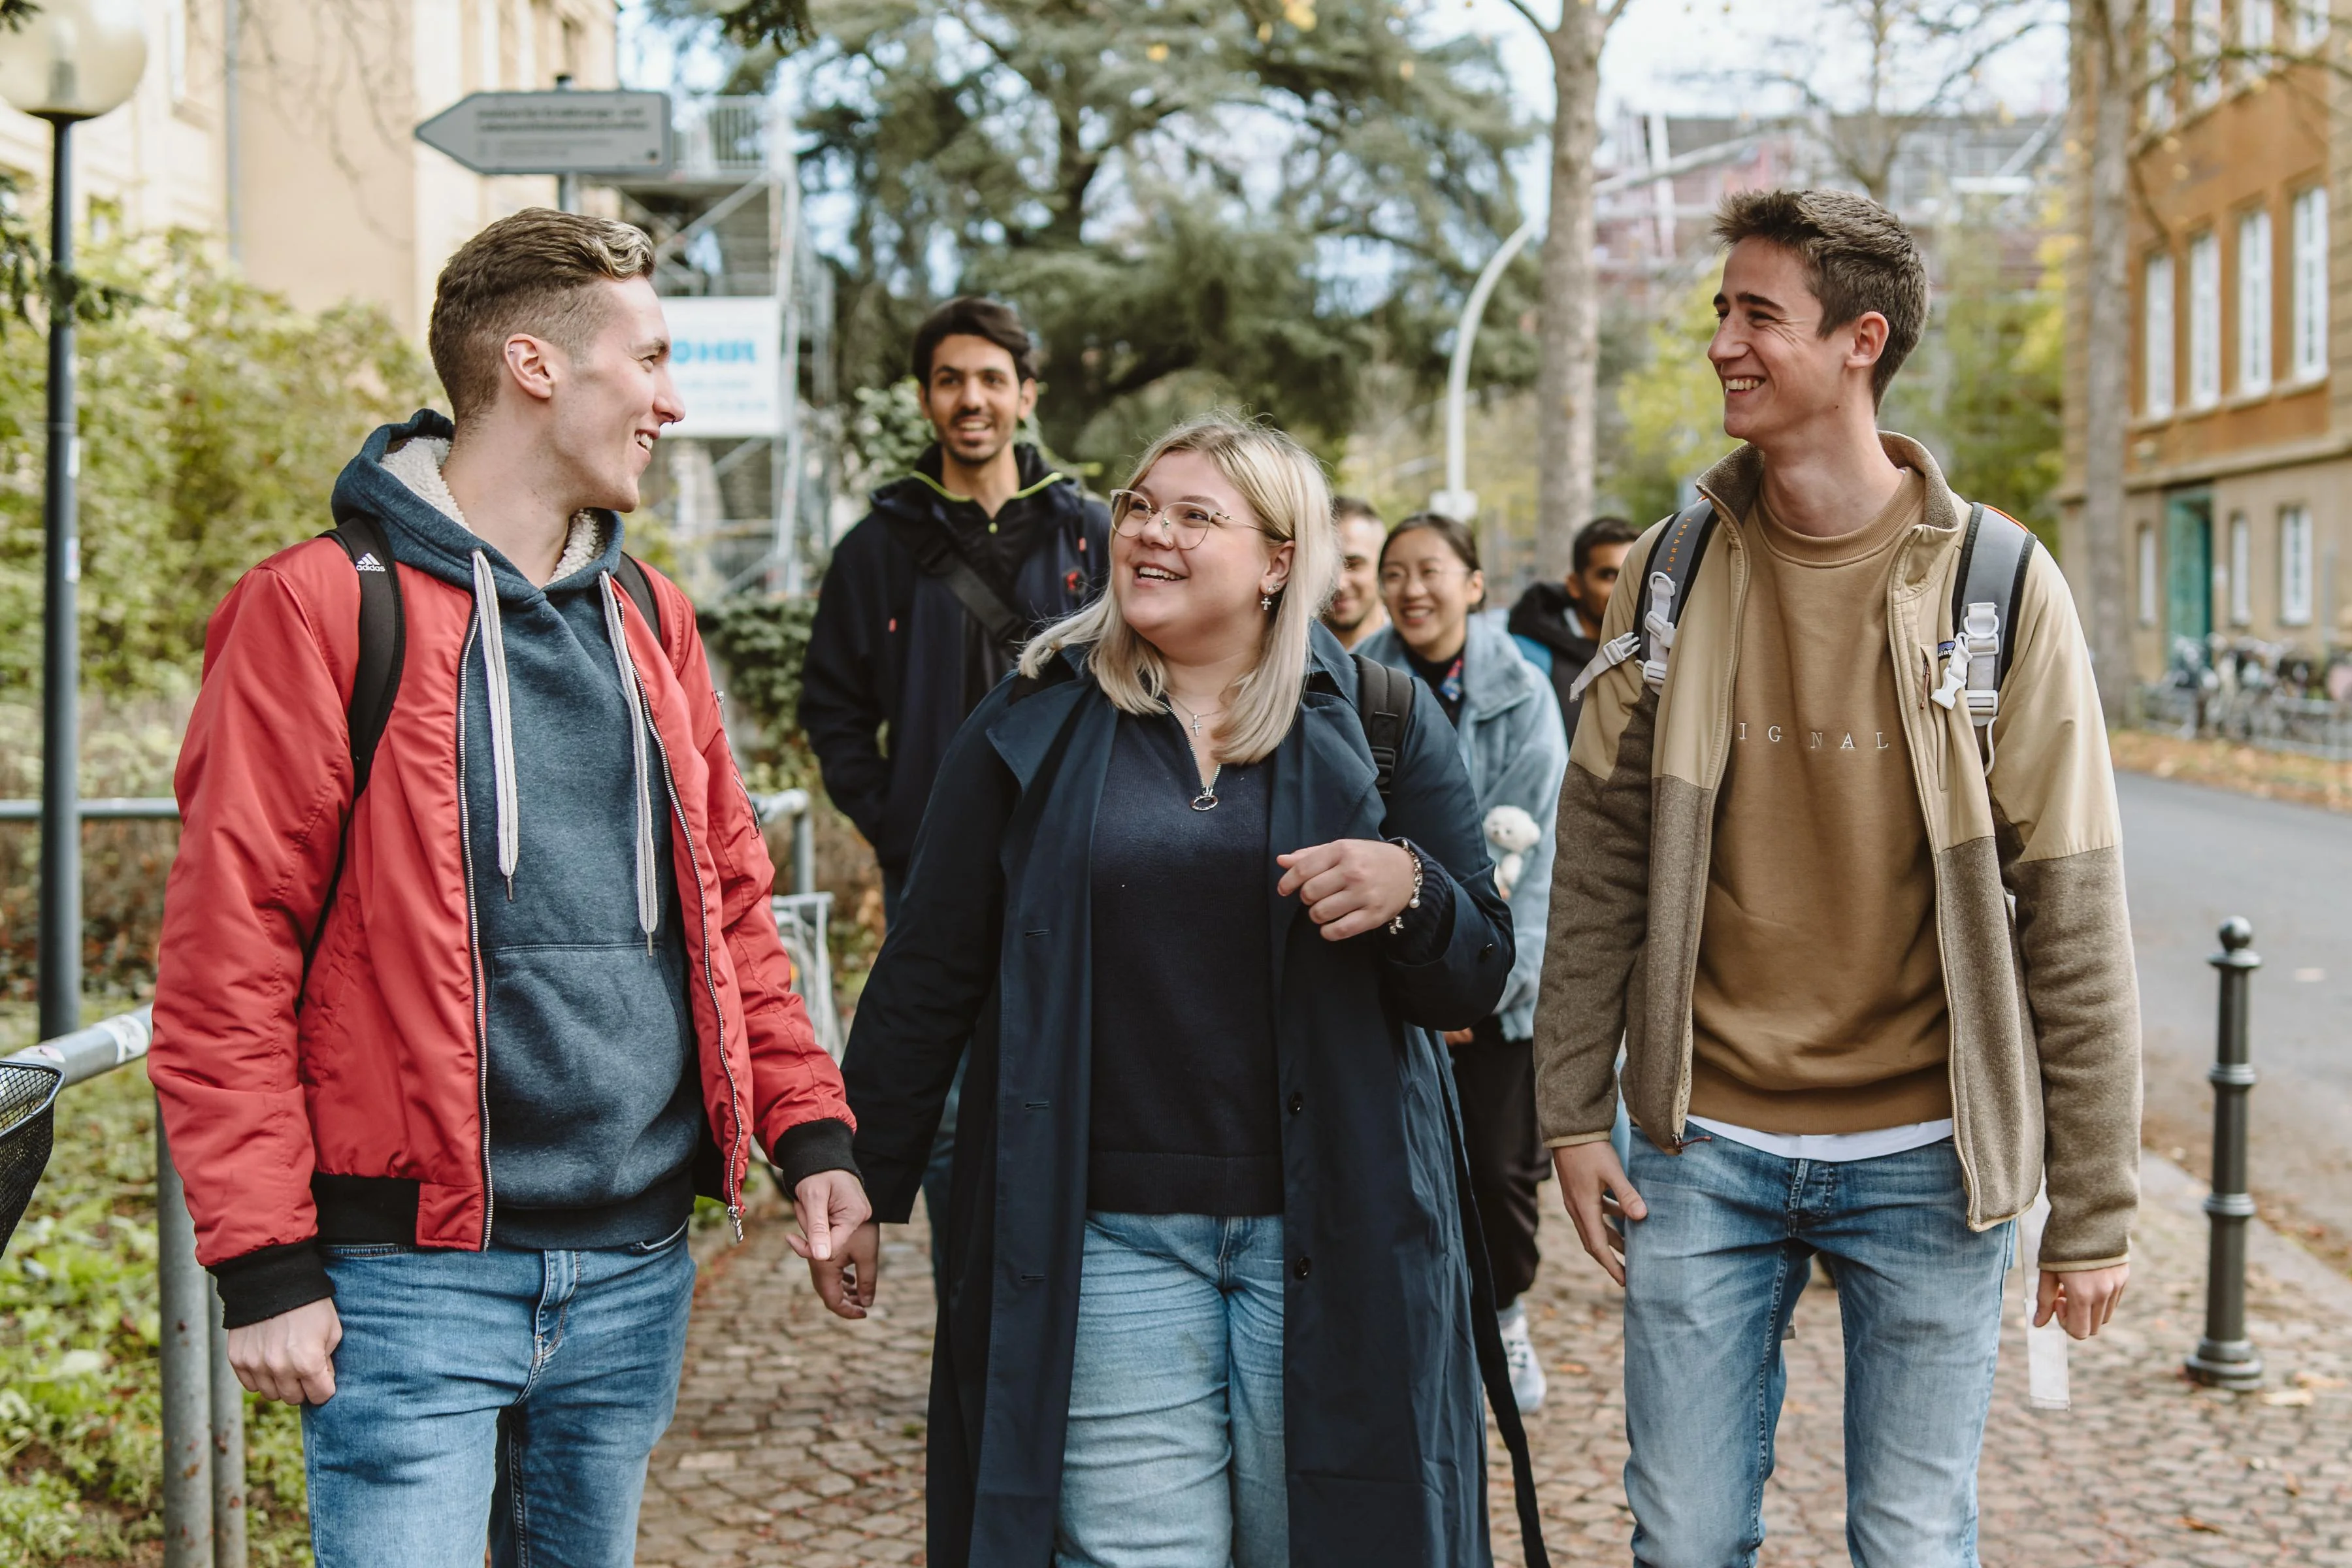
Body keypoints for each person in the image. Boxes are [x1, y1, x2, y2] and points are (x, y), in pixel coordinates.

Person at [149, 209, 868, 1566]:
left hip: (637, 1272)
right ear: (535, 365)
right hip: (410, 1284)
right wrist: (264, 1265)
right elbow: (226, 963)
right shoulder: (320, 608)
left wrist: (811, 1130)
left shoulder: (653, 618)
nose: (670, 399)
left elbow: (730, 915)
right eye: (648, 359)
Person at [813, 414, 1546, 1568]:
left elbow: (1480, 969)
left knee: (1327, 1542)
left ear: (1275, 562)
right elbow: (931, 966)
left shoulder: (1384, 724)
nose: (1148, 532)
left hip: (1335, 1231)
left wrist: (1412, 889)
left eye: (1194, 516)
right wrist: (855, 1170)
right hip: (1106, 1242)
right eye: (1141, 507)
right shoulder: (1032, 719)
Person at [1534, 187, 2141, 1567]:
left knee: (1913, 1541)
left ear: (1861, 340)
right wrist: (1572, 1108)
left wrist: (2093, 1207)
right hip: (1703, 1149)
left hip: (1931, 1154)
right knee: (1681, 1539)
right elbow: (1600, 858)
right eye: (1720, 314)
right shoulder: (1671, 574)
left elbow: (2076, 908)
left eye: (1759, 316)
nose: (1723, 346)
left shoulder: (1997, 584)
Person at [798, 295, 1109, 1305]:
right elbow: (833, 709)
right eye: (948, 380)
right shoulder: (876, 548)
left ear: (1027, 394)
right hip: (933, 879)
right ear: (925, 397)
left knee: (1070, 1088)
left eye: (989, 379)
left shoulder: (1092, 533)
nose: (969, 400)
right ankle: (976, 1310)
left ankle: (1066, 1309)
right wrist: (897, 822)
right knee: (940, 1102)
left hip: (1078, 876)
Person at [1357, 514, 1567, 1414]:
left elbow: (1544, 857)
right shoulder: (1350, 681)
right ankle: (1407, 1336)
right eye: (1394, 572)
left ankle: (1506, 1319)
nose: (1411, 589)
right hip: (1382, 986)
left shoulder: (1524, 691)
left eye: (1432, 570)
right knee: (1387, 1169)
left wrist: (1486, 985)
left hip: (1498, 994)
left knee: (1496, 1173)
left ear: (1474, 584)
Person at [1508, 515, 1638, 736]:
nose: (1624, 588)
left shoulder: (1656, 653)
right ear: (1575, 585)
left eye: (1633, 575)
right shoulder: (1529, 657)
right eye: (1608, 575)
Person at [1320, 494, 1389, 647]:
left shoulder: (1415, 652)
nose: (1339, 583)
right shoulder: (1288, 654)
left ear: (1384, 565)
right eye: (1324, 567)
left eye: (1354, 564)